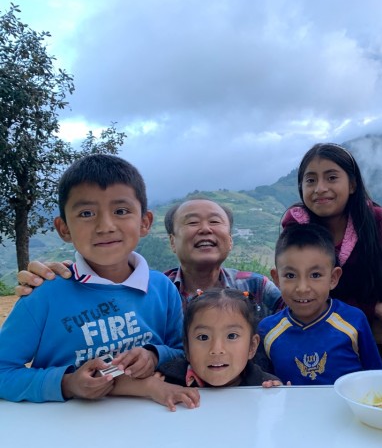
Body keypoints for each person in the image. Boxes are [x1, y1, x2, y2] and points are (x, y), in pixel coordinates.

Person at [0, 154, 188, 403]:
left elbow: (184, 352)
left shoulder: (162, 289)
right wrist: (67, 384)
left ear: (145, 222)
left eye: (121, 211)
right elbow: (3, 371)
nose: (105, 226)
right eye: (86, 213)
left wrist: (154, 355)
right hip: (66, 423)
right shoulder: (43, 295)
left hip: (151, 418)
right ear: (64, 228)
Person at [16, 198, 283, 318]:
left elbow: (303, 312)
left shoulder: (256, 286)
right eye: (192, 222)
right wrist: (60, 281)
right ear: (172, 242)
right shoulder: (151, 290)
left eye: (215, 221)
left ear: (230, 239)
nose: (205, 229)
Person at [281, 143, 382, 368]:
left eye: (332, 178)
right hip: (318, 337)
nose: (320, 188)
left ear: (352, 184)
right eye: (311, 180)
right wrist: (372, 309)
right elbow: (300, 289)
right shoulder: (296, 227)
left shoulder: (377, 222)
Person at [112, 287, 283, 411]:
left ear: (252, 346)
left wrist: (279, 394)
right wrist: (154, 387)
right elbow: (111, 382)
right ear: (186, 346)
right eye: (203, 337)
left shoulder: (263, 383)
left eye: (231, 336)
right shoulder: (170, 377)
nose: (217, 349)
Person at [258, 223, 382, 385]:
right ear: (276, 279)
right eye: (290, 275)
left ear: (333, 278)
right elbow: (263, 383)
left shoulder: (353, 321)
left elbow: (376, 378)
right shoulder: (267, 330)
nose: (302, 288)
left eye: (315, 275)